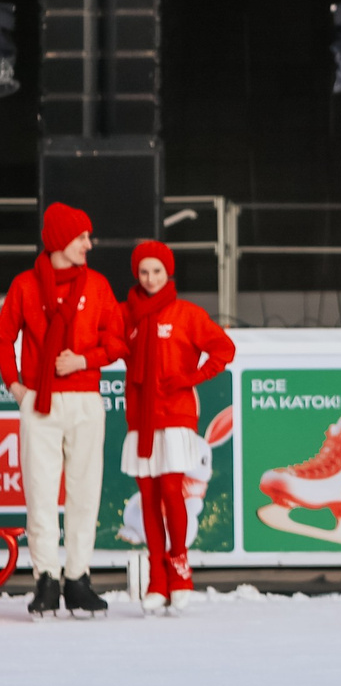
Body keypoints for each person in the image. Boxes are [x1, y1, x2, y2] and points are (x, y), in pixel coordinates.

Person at [0, 205, 126, 616]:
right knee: (39, 492)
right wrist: (17, 388)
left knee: (85, 492)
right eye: (81, 237)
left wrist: (84, 361)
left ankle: (77, 578)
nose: (89, 244)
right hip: (41, 400)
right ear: (58, 241)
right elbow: (4, 339)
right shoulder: (24, 286)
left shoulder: (98, 285)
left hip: (86, 398)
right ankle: (46, 579)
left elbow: (118, 341)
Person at [119, 239, 236, 612]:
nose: (150, 279)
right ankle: (157, 576)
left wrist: (190, 377)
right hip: (141, 418)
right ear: (136, 274)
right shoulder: (127, 314)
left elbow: (223, 349)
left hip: (175, 416)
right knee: (149, 496)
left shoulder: (186, 313)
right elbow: (105, 345)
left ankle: (180, 568)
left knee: (172, 492)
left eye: (156, 271)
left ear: (168, 272)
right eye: (143, 272)